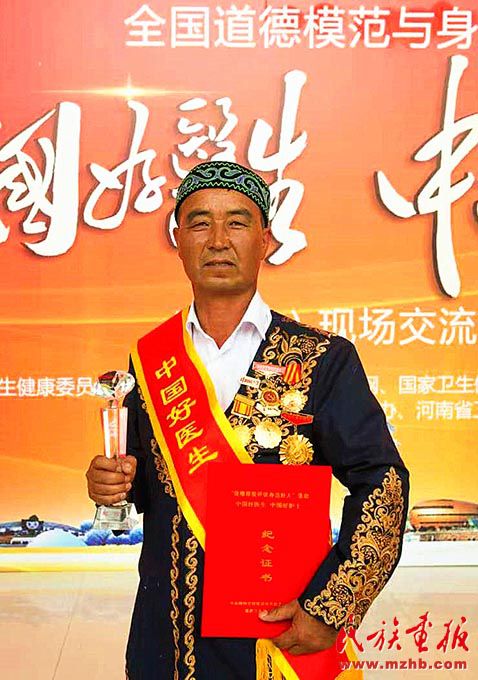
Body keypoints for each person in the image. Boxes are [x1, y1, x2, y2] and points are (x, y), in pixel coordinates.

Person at [86, 161, 409, 680]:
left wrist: (331, 608)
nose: (218, 240)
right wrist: (111, 484)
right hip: (166, 641)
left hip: (278, 637)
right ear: (177, 240)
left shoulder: (322, 358)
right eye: (199, 223)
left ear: (266, 241)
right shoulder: (149, 360)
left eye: (237, 222)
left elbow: (382, 481)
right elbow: (149, 489)